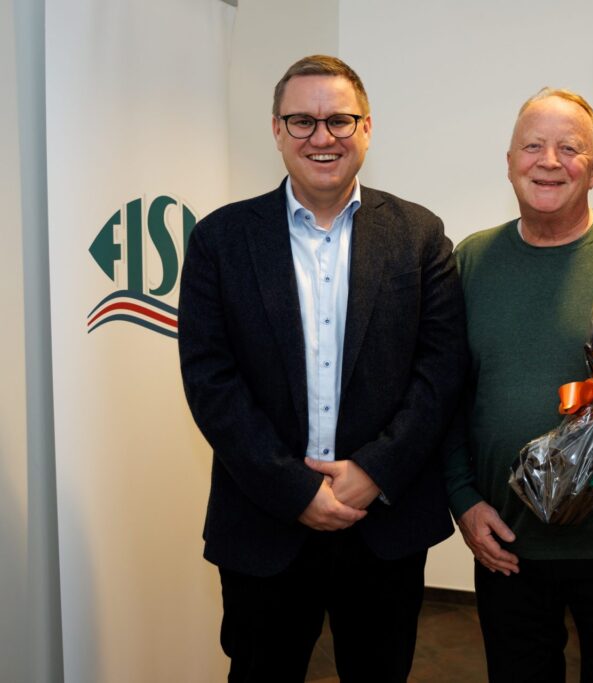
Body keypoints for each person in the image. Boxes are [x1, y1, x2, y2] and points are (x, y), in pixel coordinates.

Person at [178, 55, 466, 683]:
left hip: (384, 523)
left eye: (339, 120)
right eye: (302, 121)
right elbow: (210, 380)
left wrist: (375, 470)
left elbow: (441, 371)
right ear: (276, 130)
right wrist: (295, 490)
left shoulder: (420, 235)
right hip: (264, 523)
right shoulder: (220, 240)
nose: (321, 137)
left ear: (367, 128)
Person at [445, 88, 593, 683]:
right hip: (508, 541)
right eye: (533, 146)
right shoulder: (471, 261)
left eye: (569, 149)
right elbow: (447, 400)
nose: (549, 161)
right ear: (509, 163)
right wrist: (463, 501)